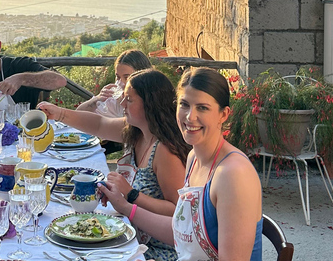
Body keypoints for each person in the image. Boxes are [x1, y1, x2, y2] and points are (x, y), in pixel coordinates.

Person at [99, 68, 263, 261]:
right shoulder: (194, 157)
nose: (190, 117)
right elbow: (183, 232)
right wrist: (125, 206)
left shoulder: (234, 174)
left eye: (202, 107)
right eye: (184, 104)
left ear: (223, 115)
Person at [38, 69, 189, 261]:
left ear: (150, 104)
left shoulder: (165, 151)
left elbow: (178, 210)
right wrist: (59, 114)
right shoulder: (138, 132)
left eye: (129, 99)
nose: (121, 103)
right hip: (133, 235)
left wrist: (131, 195)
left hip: (156, 250)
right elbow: (100, 124)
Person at [76, 49, 153, 116]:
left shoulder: (152, 102)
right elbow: (78, 115)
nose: (120, 82)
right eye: (118, 77)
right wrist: (97, 99)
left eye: (126, 77)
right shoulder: (115, 99)